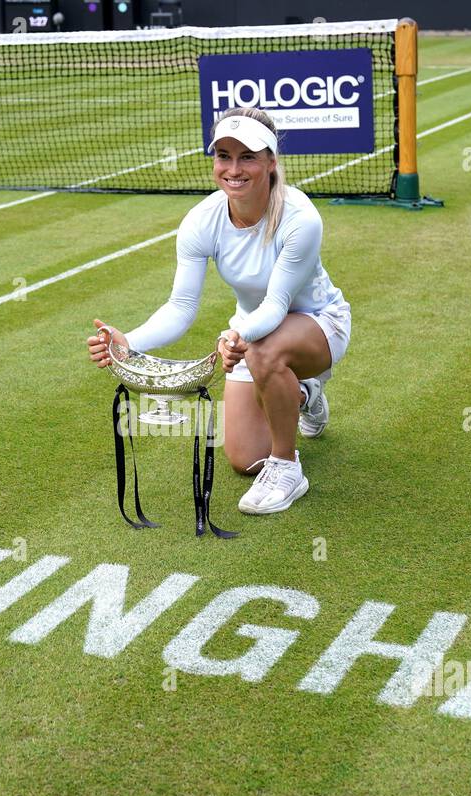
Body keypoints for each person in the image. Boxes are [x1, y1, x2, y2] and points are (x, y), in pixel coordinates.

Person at [86, 106, 351, 516]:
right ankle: (302, 394)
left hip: (320, 324)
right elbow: (181, 307)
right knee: (244, 459)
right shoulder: (201, 220)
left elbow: (278, 305)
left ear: (270, 161)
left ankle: (287, 468)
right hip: (253, 331)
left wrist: (238, 338)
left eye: (248, 156)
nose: (234, 169)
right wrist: (129, 342)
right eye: (223, 156)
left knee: (264, 351)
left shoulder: (300, 218)